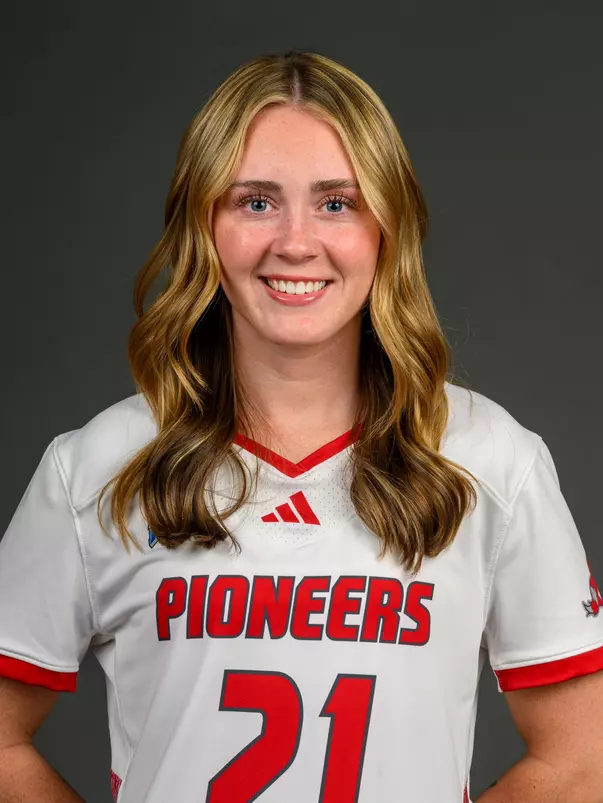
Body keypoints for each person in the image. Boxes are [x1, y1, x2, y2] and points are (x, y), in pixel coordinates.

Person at [0, 49, 602, 803]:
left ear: (386, 226)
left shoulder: (490, 459)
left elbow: (582, 756)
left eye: (336, 202)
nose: (293, 241)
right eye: (254, 201)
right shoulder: (97, 467)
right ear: (203, 224)